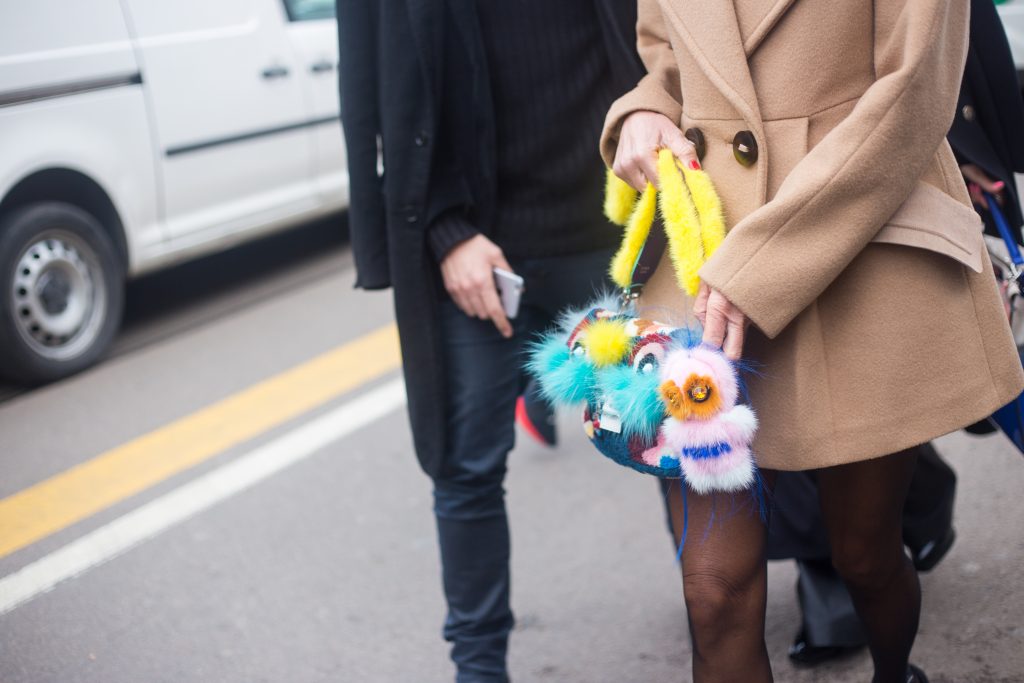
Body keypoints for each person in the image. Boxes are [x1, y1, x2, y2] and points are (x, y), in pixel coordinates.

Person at [602, 1, 1024, 682]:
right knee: (713, 593)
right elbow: (667, 59)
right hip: (707, 262)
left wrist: (765, 266)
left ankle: (895, 673)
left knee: (864, 554)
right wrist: (641, 110)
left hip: (860, 247)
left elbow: (913, 96)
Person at [335, 3, 642, 681]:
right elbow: (371, 81)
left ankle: (736, 616)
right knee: (465, 468)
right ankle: (478, 669)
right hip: (475, 244)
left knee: (680, 435)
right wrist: (443, 231)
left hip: (618, 226)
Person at [767, 0, 1024, 665]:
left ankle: (893, 538)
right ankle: (825, 575)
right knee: (789, 445)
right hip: (740, 217)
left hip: (887, 189)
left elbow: (926, 62)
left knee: (866, 520)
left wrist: (969, 146)